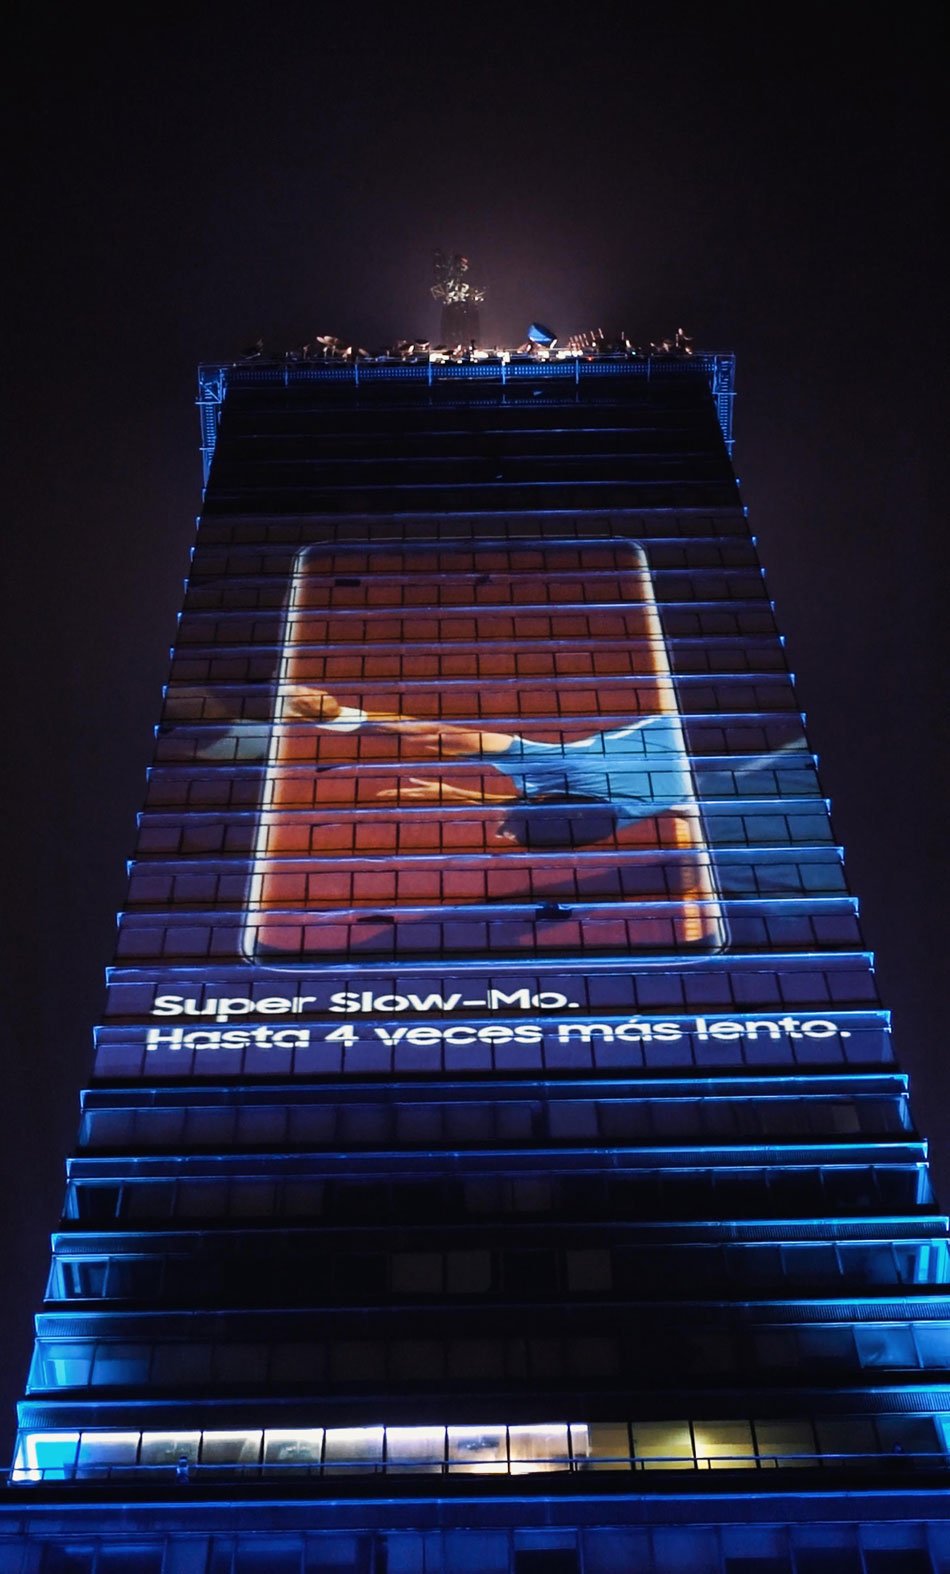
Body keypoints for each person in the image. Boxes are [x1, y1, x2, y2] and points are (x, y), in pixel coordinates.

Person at [276, 686, 697, 849]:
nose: (502, 826)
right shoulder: (576, 782)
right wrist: (339, 717)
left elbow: (569, 804)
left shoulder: (614, 810)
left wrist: (335, 717)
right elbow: (433, 735)